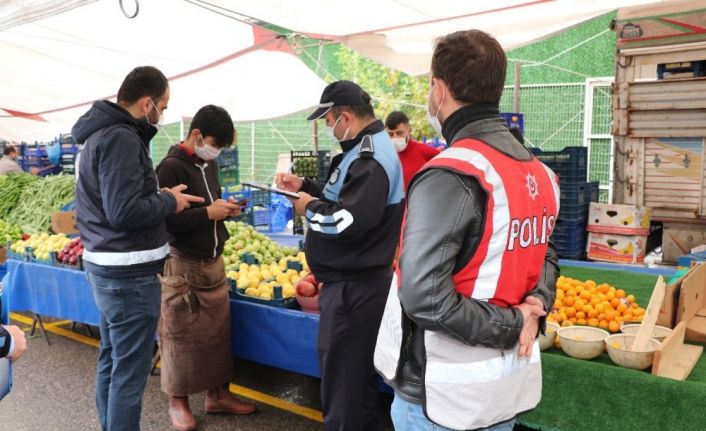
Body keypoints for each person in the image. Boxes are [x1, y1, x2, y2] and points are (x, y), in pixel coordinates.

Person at [374, 30, 560, 431]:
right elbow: (544, 253)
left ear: (439, 90)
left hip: (439, 399)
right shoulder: (541, 175)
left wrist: (517, 321)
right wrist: (534, 307)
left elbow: (424, 298)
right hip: (501, 389)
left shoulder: (451, 173)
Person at [72, 66, 203, 431]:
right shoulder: (122, 138)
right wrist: (168, 202)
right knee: (128, 375)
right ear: (147, 103)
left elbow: (116, 202)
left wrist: (161, 197)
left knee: (113, 362)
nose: (161, 113)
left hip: (106, 266)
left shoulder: (98, 136)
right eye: (162, 105)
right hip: (128, 273)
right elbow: (124, 211)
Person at [275, 80, 404, 430]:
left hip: (354, 289)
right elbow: (345, 198)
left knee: (343, 389)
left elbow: (349, 220)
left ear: (343, 116)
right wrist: (306, 188)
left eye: (328, 120)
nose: (328, 127)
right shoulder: (364, 149)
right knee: (354, 383)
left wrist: (309, 209)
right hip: (355, 286)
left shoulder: (370, 157)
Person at [155, 105, 256, 430]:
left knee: (217, 336)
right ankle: (178, 402)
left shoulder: (207, 165)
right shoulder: (170, 168)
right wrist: (207, 215)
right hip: (183, 265)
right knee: (179, 336)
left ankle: (217, 395)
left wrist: (225, 211)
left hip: (214, 263)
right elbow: (165, 223)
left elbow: (211, 206)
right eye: (214, 144)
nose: (216, 152)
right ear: (196, 134)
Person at [385, 111, 440, 190]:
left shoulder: (425, 151)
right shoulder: (385, 155)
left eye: (399, 133)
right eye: (390, 134)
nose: (395, 137)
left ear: (409, 130)